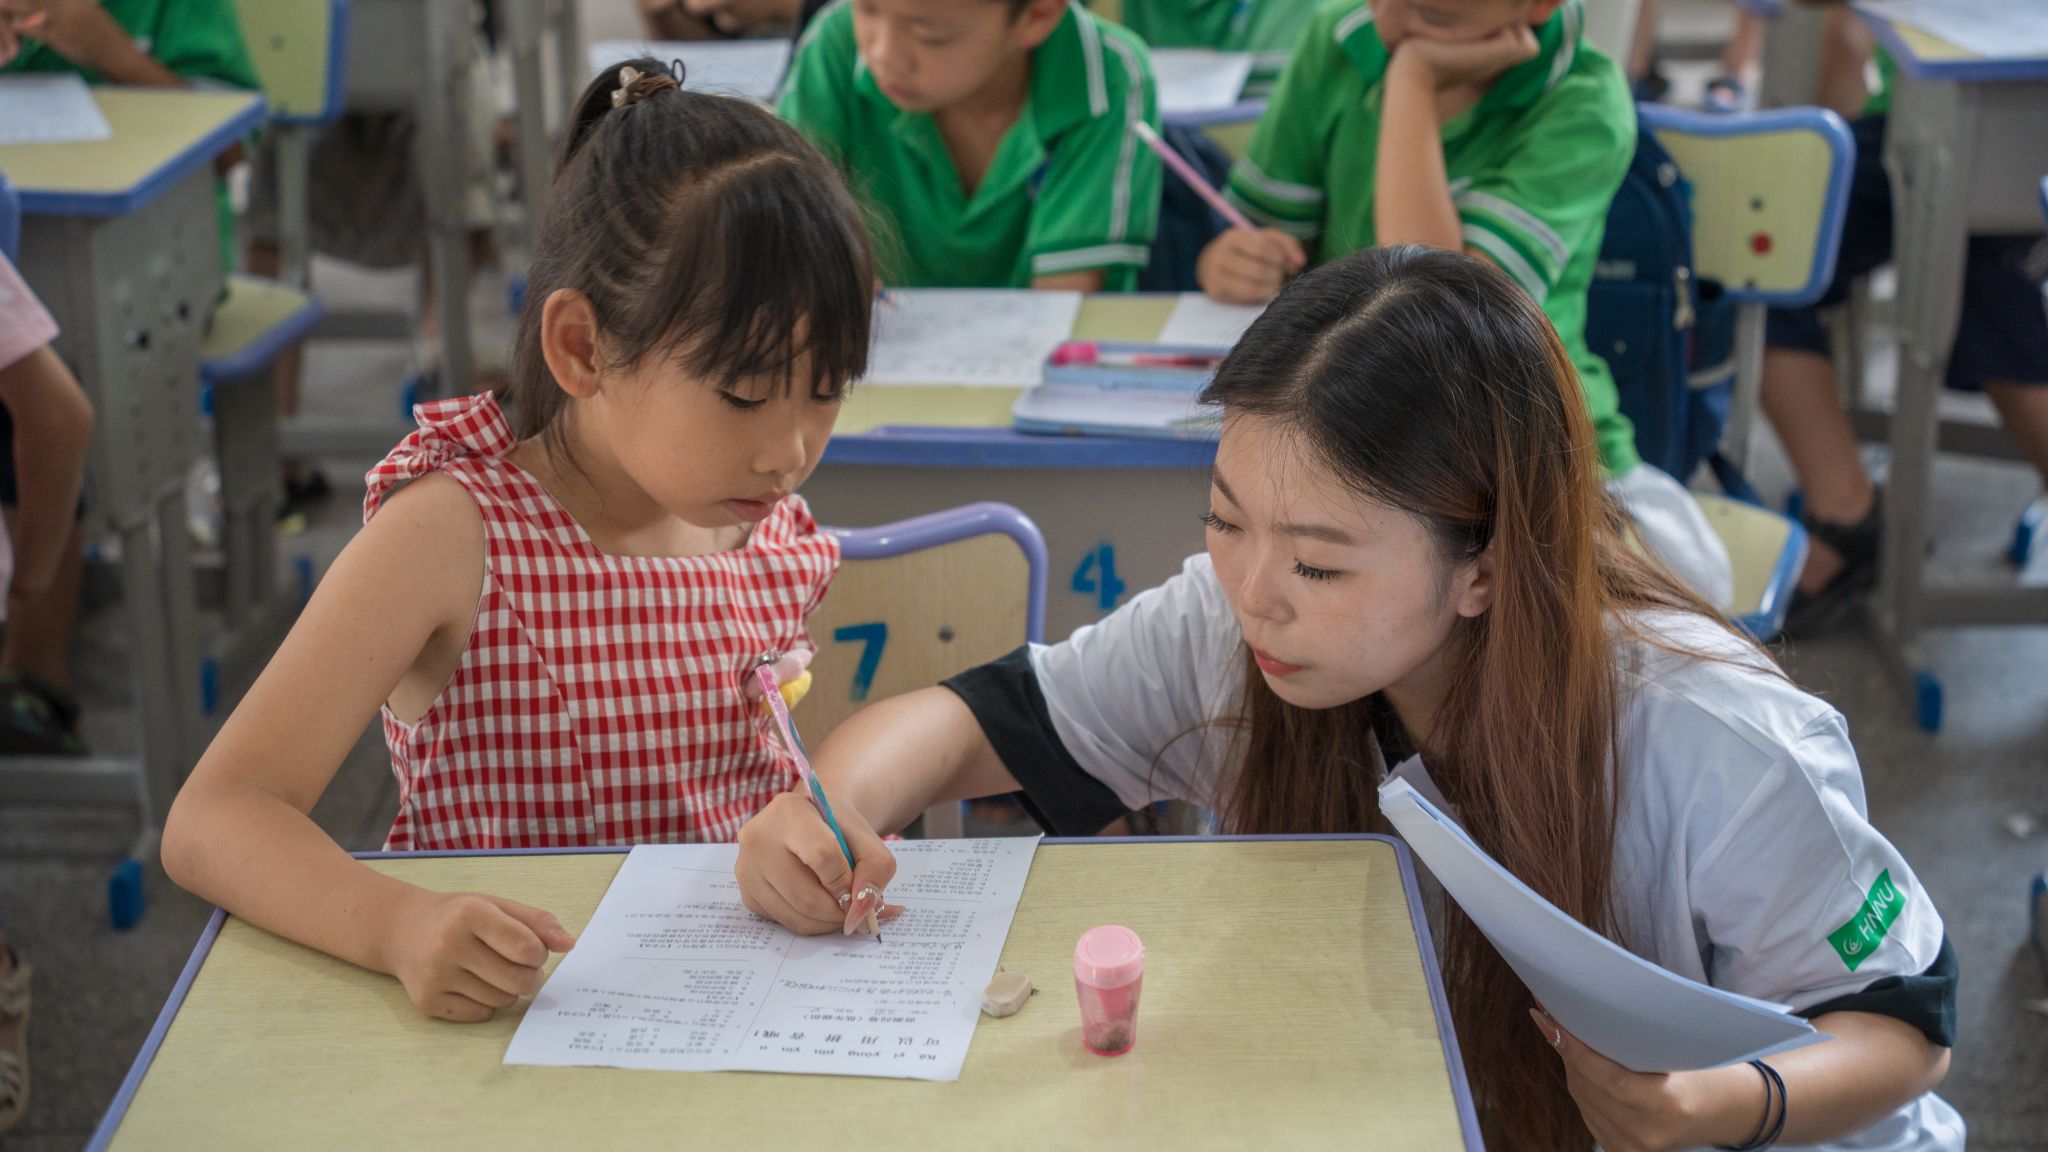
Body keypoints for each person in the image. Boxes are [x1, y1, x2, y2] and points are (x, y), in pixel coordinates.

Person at [738, 247, 1960, 1151]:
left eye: (1319, 563)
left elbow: (1902, 1030)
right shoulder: (1236, 627)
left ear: (1482, 562)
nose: (1254, 591)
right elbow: (979, 719)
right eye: (1222, 519)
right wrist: (835, 808)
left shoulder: (1715, 740)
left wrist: (1714, 1104)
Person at [163, 59, 878, 1022]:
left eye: (827, 389)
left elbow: (748, 788)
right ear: (582, 348)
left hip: (723, 1022)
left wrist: (804, 836)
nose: (791, 449)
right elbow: (216, 817)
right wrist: (396, 925)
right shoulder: (456, 534)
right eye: (745, 395)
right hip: (502, 1027)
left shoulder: (760, 531)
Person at [778, 0, 1163, 291]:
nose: (883, 56)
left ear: (1037, 16)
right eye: (867, 9)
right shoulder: (835, 44)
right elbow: (781, 235)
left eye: (930, 35)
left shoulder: (1107, 74)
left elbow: (1063, 298)